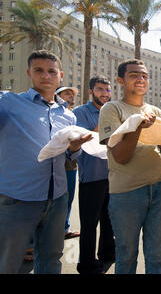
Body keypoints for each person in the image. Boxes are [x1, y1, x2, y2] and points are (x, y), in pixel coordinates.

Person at [0, 50, 92, 274]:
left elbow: (67, 156)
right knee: (8, 261)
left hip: (57, 198)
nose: (46, 76)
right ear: (29, 73)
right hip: (18, 199)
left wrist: (74, 148)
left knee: (51, 259)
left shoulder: (68, 115)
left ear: (60, 75)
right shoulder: (8, 103)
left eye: (52, 71)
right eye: (39, 70)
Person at [98, 59, 161, 274]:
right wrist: (138, 127)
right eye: (134, 75)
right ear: (120, 80)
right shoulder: (111, 109)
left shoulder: (155, 110)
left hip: (159, 188)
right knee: (127, 255)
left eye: (144, 75)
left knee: (158, 255)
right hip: (127, 193)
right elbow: (120, 156)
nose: (141, 79)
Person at [73, 76, 115, 274]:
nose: (105, 94)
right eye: (100, 90)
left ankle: (107, 253)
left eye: (107, 90)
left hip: (113, 176)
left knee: (109, 220)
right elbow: (87, 139)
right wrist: (105, 119)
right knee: (89, 224)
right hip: (91, 177)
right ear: (91, 91)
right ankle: (87, 263)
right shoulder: (80, 112)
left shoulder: (112, 110)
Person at [55, 86, 81, 240]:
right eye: (66, 93)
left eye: (72, 93)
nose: (71, 95)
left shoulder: (71, 114)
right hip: (55, 164)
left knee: (68, 197)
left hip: (71, 164)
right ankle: (31, 241)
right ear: (57, 95)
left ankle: (64, 229)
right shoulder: (52, 113)